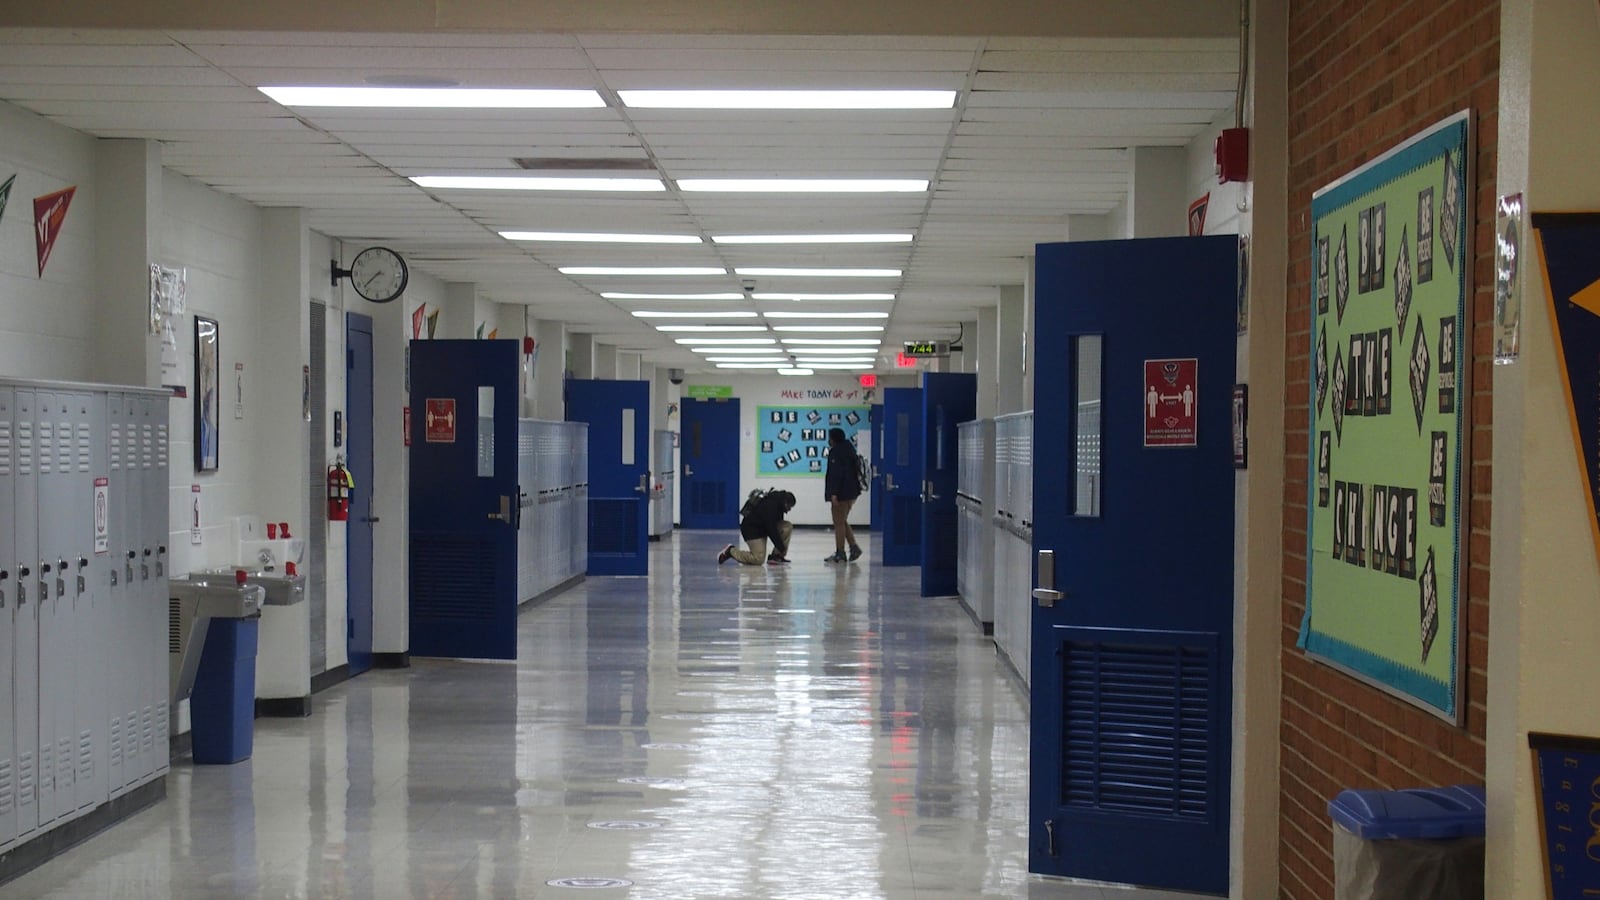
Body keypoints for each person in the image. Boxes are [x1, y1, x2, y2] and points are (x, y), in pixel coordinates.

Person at [719, 489, 795, 566]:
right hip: (752, 530)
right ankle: (731, 551)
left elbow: (775, 525)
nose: (789, 509)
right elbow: (771, 529)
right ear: (786, 503)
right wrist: (781, 547)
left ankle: (776, 557)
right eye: (790, 506)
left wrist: (780, 549)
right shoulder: (770, 506)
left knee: (787, 527)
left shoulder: (778, 505)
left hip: (763, 527)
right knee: (758, 559)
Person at [823, 427, 863, 562]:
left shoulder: (836, 453)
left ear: (833, 439)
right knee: (842, 521)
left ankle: (840, 552)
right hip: (852, 492)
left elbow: (836, 474)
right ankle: (854, 547)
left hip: (841, 493)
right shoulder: (849, 449)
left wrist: (834, 493)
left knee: (838, 523)